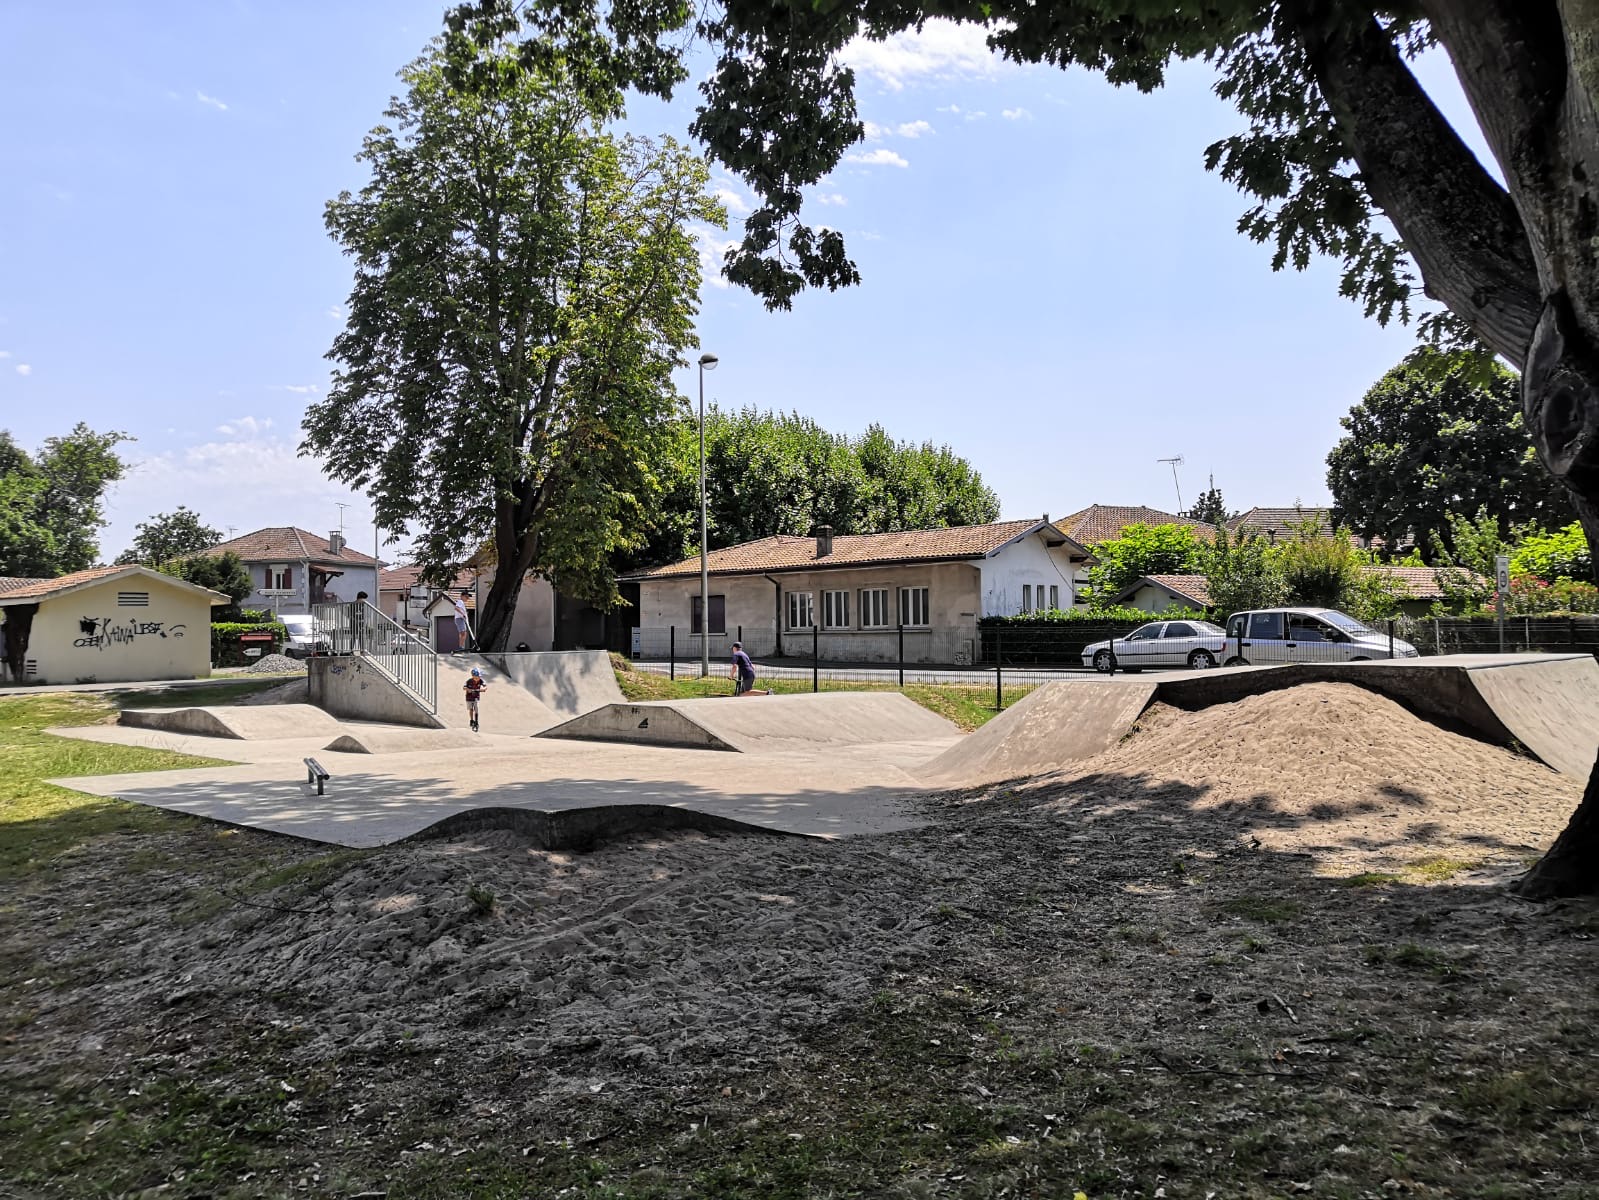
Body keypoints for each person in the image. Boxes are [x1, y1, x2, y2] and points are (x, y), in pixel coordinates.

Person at [463, 667, 487, 731]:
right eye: (476, 677)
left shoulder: (481, 681)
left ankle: (476, 721)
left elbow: (485, 686)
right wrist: (468, 689)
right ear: (473, 676)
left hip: (476, 697)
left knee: (476, 708)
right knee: (471, 709)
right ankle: (471, 720)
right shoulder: (469, 681)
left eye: (479, 677)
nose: (478, 679)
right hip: (469, 697)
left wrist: (483, 689)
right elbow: (464, 687)